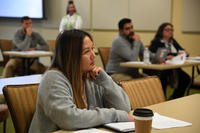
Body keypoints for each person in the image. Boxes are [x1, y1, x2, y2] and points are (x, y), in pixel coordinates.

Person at [29, 30, 134, 132]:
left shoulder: (92, 77)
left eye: (92, 49)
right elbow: (68, 118)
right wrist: (115, 115)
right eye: (87, 51)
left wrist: (105, 80)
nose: (93, 55)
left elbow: (124, 108)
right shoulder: (52, 79)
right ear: (71, 56)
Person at [147, 22, 191, 99]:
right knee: (163, 78)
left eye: (171, 30)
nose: (170, 31)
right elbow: (154, 56)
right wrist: (166, 57)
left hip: (174, 67)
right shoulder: (156, 42)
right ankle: (162, 98)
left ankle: (175, 97)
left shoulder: (172, 41)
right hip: (161, 68)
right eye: (167, 30)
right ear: (161, 31)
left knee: (186, 78)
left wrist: (184, 53)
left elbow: (181, 51)